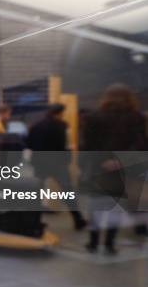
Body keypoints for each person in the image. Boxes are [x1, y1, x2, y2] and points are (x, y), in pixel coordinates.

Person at [81, 84, 147, 254]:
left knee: (95, 206)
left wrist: (103, 161)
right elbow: (140, 144)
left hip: (98, 167)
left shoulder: (94, 117)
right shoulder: (136, 117)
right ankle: (110, 244)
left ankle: (93, 243)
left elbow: (88, 145)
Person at [27, 104, 87, 230]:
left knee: (37, 192)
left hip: (40, 163)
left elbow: (29, 144)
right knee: (67, 191)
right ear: (59, 113)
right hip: (58, 164)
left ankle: (34, 222)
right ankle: (78, 219)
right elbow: (64, 145)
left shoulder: (36, 126)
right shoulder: (62, 126)